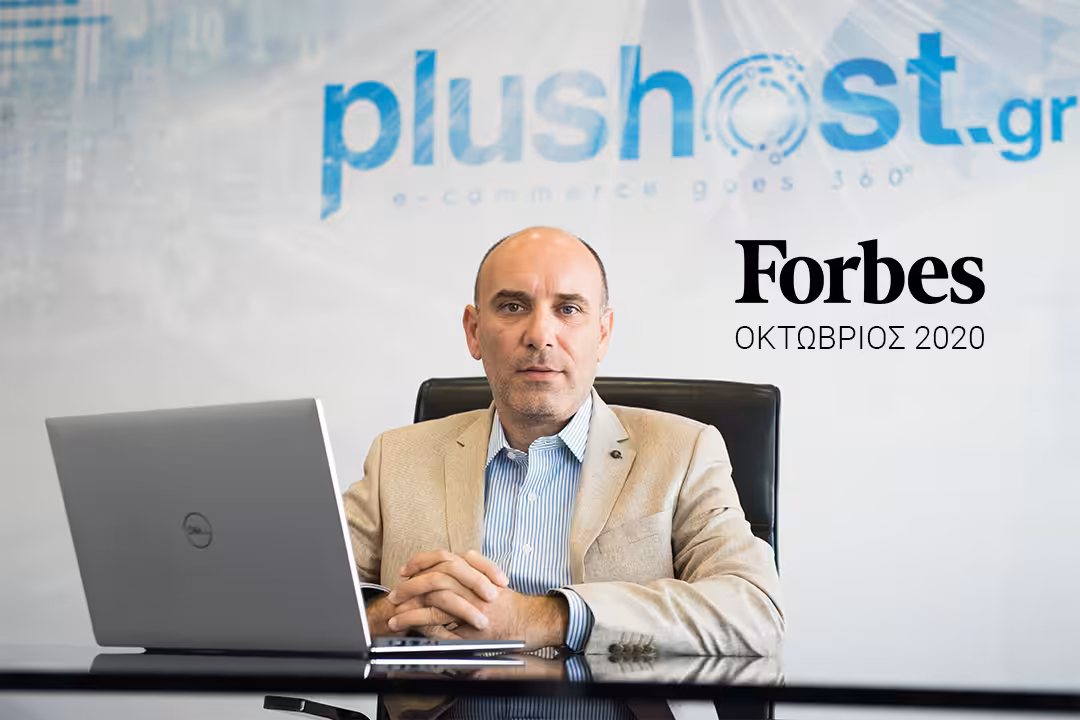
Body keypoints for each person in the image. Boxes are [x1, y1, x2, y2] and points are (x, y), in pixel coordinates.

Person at [344, 226, 783, 655]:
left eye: (569, 309)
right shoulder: (395, 457)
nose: (540, 335)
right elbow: (309, 596)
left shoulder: (685, 453)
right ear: (474, 331)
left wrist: (544, 618)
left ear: (603, 333)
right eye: (513, 306)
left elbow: (754, 612)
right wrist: (391, 615)